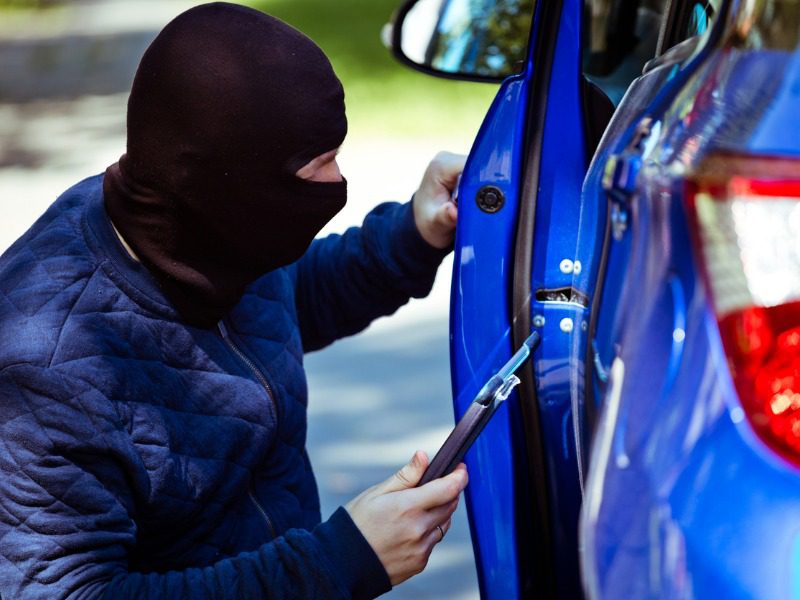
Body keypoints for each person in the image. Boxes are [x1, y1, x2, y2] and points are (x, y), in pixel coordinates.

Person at [0, 3, 468, 599]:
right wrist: (341, 561)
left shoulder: (194, 227)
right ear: (236, 181)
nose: (339, 183)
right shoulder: (42, 373)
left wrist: (413, 233)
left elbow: (285, 301)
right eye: (319, 165)